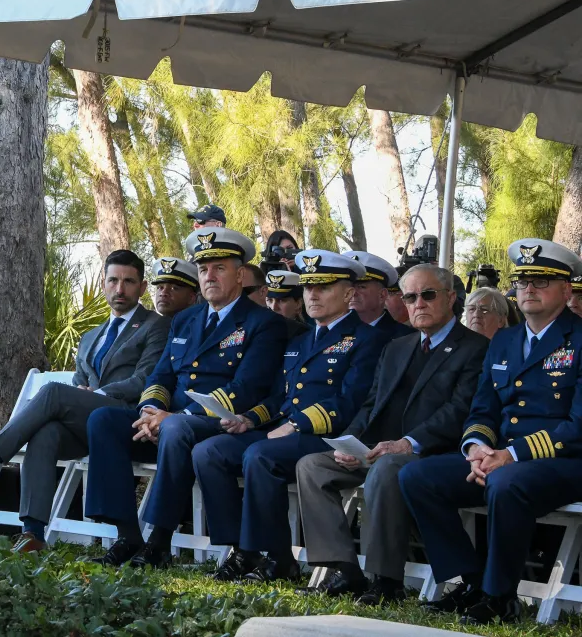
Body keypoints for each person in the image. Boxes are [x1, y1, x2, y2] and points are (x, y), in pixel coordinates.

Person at [0, 253, 197, 552]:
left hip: (127, 420)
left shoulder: (157, 326)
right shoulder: (90, 337)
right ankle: (33, 533)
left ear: (141, 288)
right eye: (113, 280)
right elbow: (79, 381)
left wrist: (97, 395)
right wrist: (82, 392)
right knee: (45, 432)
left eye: (128, 282)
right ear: (104, 284)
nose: (120, 289)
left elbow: (145, 379)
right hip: (89, 424)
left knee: (53, 392)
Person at [400, 238, 582, 625]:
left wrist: (510, 456)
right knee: (417, 475)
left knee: (506, 483)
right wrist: (477, 447)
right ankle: (473, 581)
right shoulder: (504, 340)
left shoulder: (579, 339)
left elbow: (578, 426)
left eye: (541, 281)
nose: (529, 289)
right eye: (522, 281)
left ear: (566, 290)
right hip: (501, 459)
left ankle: (500, 598)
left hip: (565, 461)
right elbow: (483, 406)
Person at [84, 228, 286, 569]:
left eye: (219, 268)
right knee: (103, 420)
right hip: (169, 422)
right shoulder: (185, 319)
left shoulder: (262, 323)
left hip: (219, 422)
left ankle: (159, 541)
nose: (209, 276)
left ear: (239, 274)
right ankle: (128, 534)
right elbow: (161, 375)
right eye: (204, 269)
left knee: (177, 428)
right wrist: (151, 410)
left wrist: (179, 415)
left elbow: (245, 387)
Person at [296, 264, 487, 604]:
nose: (419, 304)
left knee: (387, 469)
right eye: (410, 297)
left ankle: (386, 581)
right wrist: (349, 441)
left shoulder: (474, 347)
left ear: (451, 298)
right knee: (313, 466)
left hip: (429, 453)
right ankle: (345, 569)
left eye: (428, 295)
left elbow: (459, 411)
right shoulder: (398, 346)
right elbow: (371, 404)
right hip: (378, 448)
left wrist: (407, 443)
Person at [193, 250, 386, 582]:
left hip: (327, 436)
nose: (312, 295)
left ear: (349, 293)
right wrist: (250, 419)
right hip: (284, 430)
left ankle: (279, 558)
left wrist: (296, 424)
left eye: (323, 288)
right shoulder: (299, 339)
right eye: (308, 287)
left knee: (260, 455)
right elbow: (280, 396)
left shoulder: (369, 339)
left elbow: (352, 401)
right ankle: (243, 549)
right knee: (209, 451)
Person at [344, 251, 412, 338]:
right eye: (350, 287)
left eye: (361, 287)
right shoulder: (335, 332)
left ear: (382, 295)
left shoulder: (406, 337)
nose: (353, 293)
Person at [265, 270, 311, 340]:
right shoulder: (256, 331)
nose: (273, 307)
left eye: (281, 300)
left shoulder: (309, 336)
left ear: (298, 303)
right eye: (269, 300)